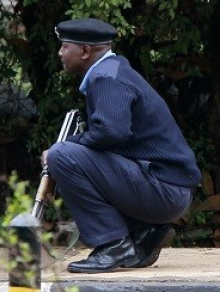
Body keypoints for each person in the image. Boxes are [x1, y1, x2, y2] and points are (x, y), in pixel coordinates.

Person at [42, 17, 201, 273]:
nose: (60, 53)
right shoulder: (113, 70)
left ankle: (112, 243)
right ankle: (142, 233)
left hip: (165, 190)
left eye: (64, 47)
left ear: (85, 51)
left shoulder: (106, 78)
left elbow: (111, 133)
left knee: (62, 155)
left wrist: (66, 145)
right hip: (169, 188)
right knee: (74, 155)